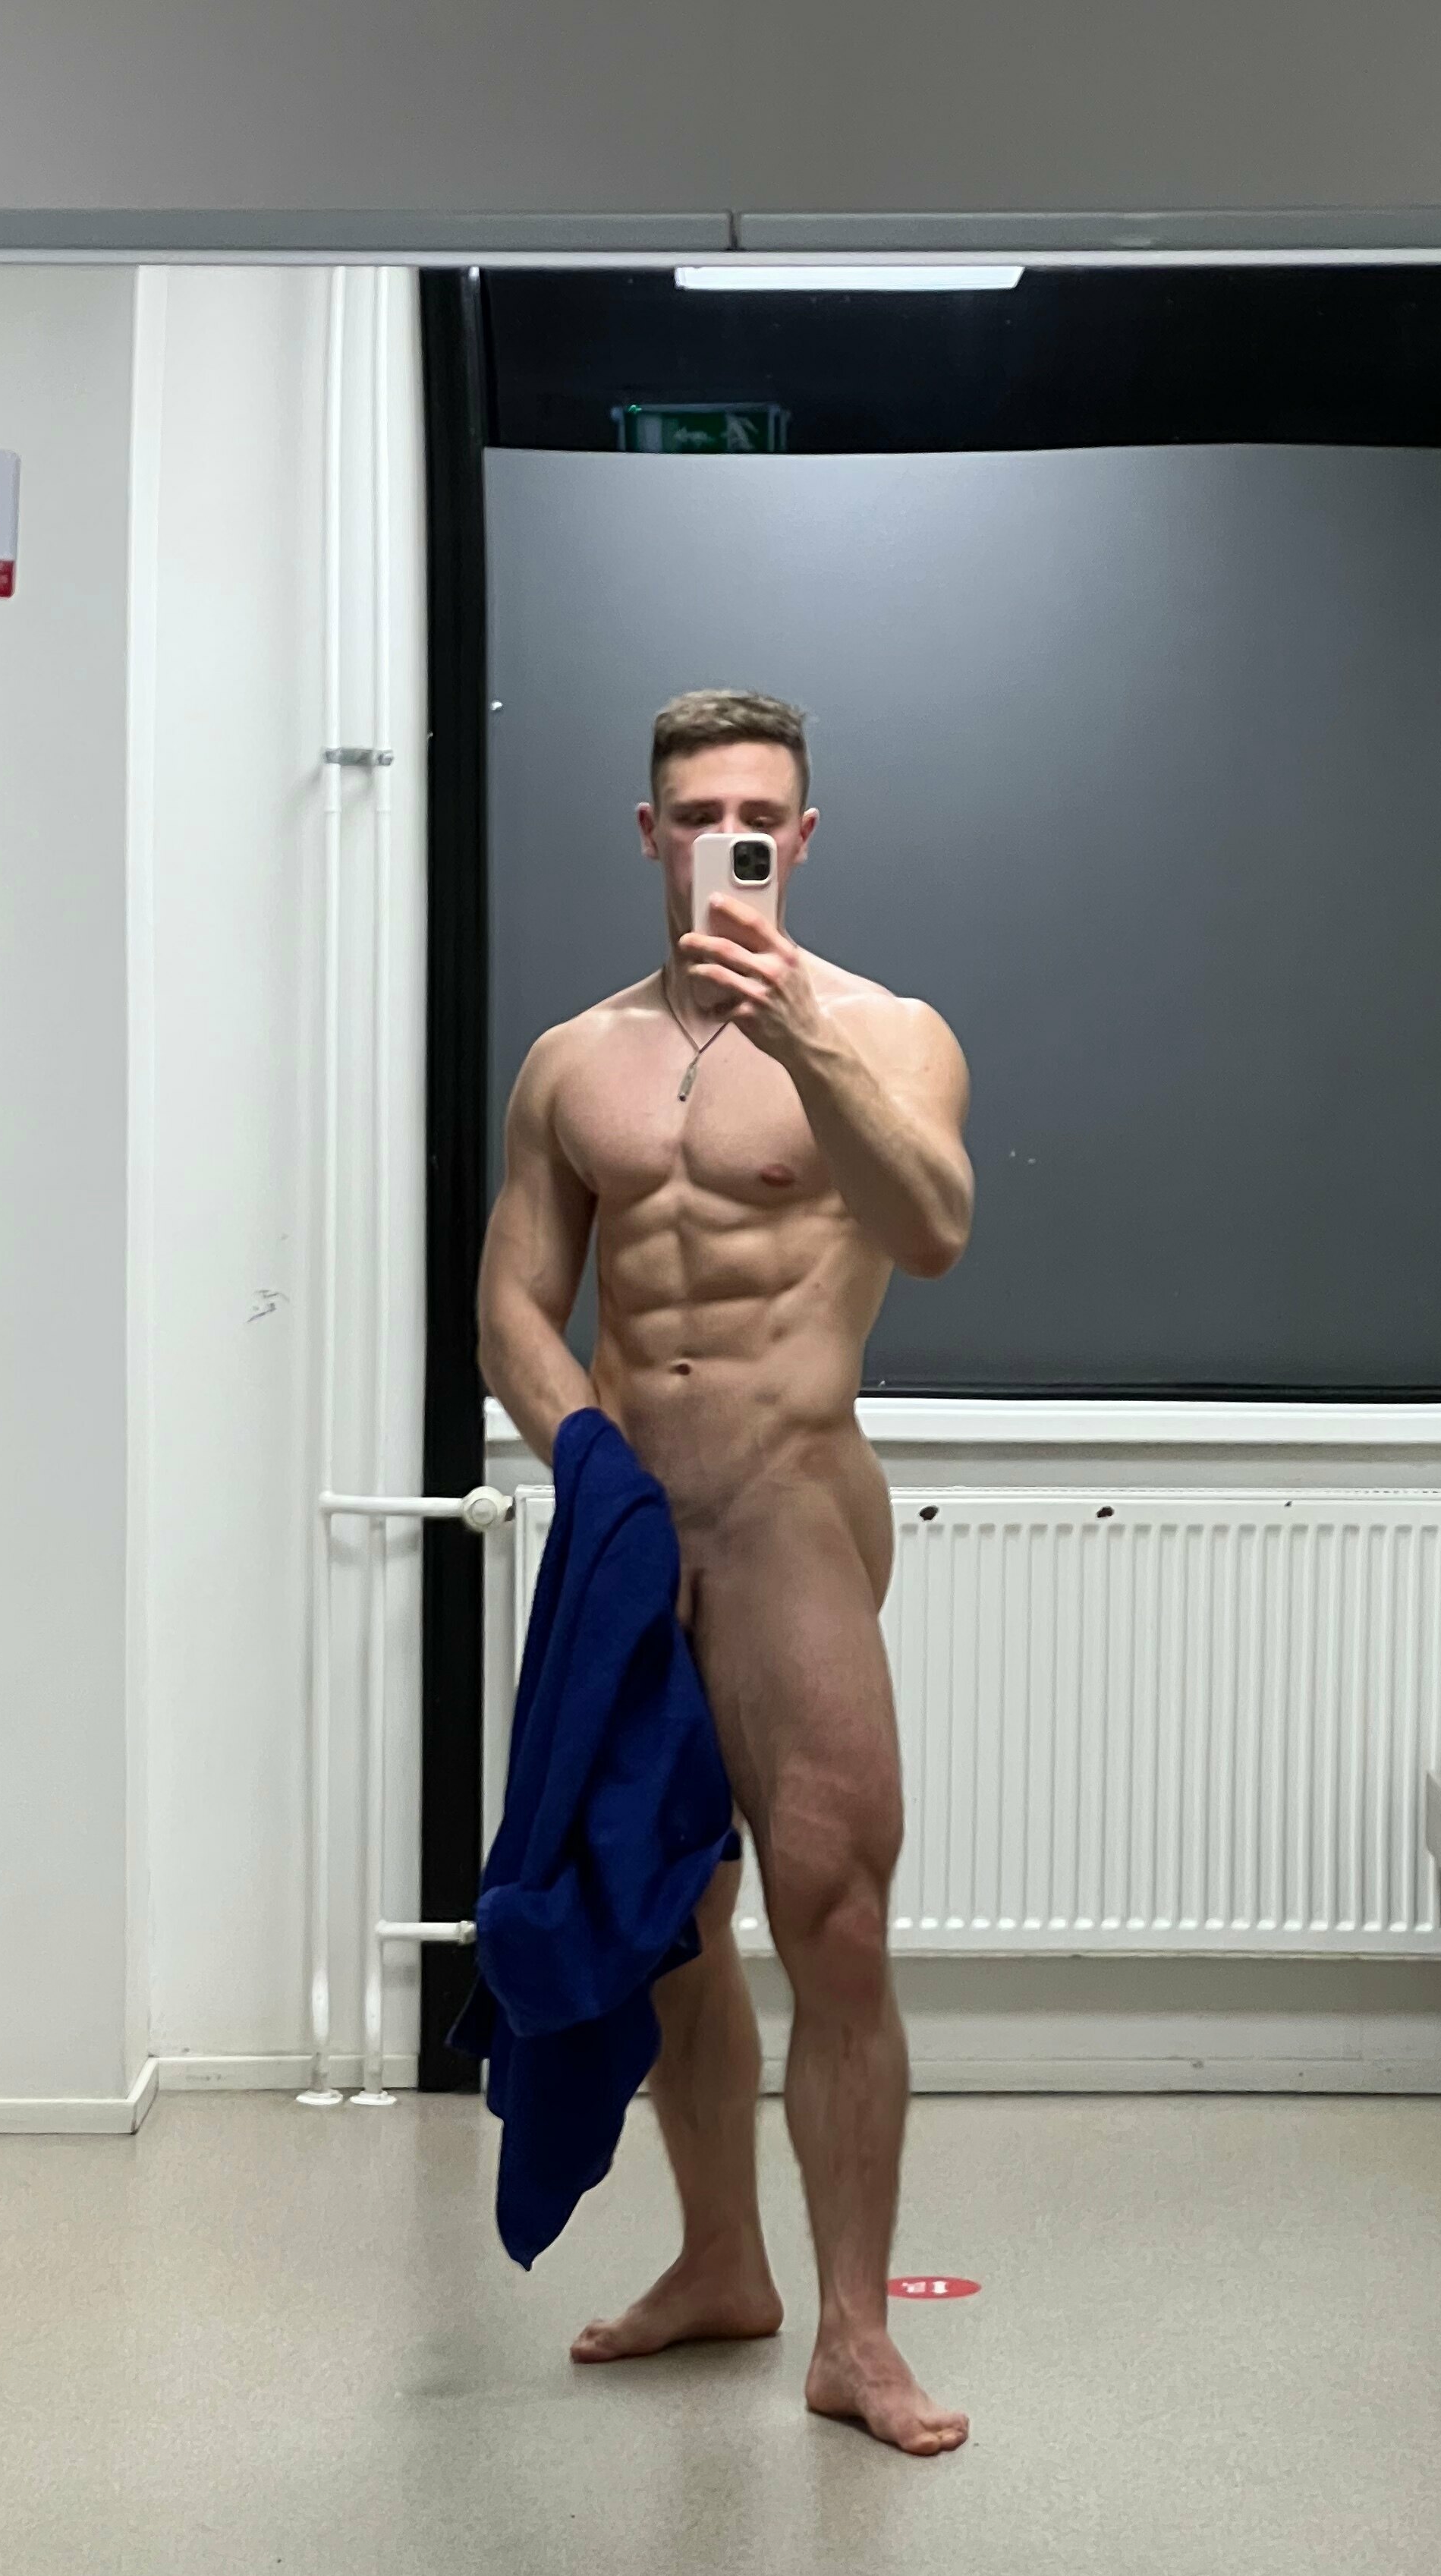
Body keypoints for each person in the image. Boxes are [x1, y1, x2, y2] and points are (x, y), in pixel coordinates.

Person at [475, 687, 976, 2458]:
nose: (728, 839)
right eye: (697, 814)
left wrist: (803, 1036)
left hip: (789, 1514)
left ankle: (856, 2334)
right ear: (650, 833)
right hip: (635, 1527)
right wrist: (586, 1459)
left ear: (804, 837)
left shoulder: (888, 1033)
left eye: (759, 815)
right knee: (666, 1923)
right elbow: (513, 1303)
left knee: (835, 1918)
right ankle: (719, 2263)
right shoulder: (574, 1062)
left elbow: (934, 1225)